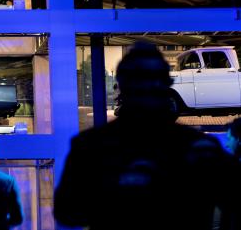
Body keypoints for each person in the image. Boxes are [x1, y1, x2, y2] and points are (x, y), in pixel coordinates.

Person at [54, 42, 234, 230]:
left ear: (121, 87)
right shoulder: (198, 148)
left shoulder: (90, 147)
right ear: (167, 85)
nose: (147, 90)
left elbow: (68, 213)